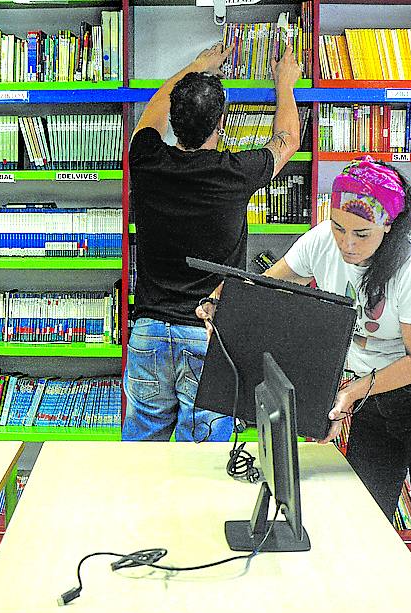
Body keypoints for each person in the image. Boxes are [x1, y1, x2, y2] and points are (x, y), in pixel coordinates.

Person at [198, 157, 411, 613]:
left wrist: (351, 393)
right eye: (340, 228)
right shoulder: (325, 239)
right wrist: (223, 309)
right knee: (368, 529)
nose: (347, 245)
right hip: (372, 397)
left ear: (392, 227)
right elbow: (267, 288)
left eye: (362, 234)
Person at [124, 41, 303, 441]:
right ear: (221, 124)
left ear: (173, 119)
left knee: (137, 459)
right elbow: (287, 139)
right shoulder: (235, 173)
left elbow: (151, 113)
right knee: (200, 463)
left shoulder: (147, 157)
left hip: (149, 332)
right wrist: (284, 83)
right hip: (207, 337)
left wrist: (195, 66)